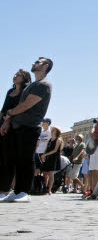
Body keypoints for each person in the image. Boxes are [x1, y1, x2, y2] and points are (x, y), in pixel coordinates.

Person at [0, 57, 54, 203]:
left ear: (45, 66)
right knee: (18, 160)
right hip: (19, 126)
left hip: (29, 127)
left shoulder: (43, 85)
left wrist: (10, 113)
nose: (34, 63)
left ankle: (24, 191)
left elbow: (26, 105)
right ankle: (17, 191)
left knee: (26, 159)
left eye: (38, 62)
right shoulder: (34, 84)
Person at [0, 69, 31, 197]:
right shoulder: (10, 91)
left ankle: (7, 189)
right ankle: (2, 188)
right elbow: (3, 109)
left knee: (11, 158)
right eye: (15, 74)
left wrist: (8, 121)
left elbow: (20, 109)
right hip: (3, 125)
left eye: (18, 75)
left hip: (15, 126)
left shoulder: (25, 92)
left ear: (24, 78)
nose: (15, 76)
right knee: (2, 158)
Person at [40, 126, 63, 194]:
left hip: (54, 158)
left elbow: (55, 150)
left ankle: (49, 189)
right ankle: (44, 187)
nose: (52, 131)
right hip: (48, 157)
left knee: (51, 173)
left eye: (54, 130)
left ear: (57, 132)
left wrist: (45, 155)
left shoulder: (58, 139)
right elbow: (46, 148)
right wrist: (43, 155)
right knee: (44, 173)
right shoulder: (50, 139)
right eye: (52, 130)